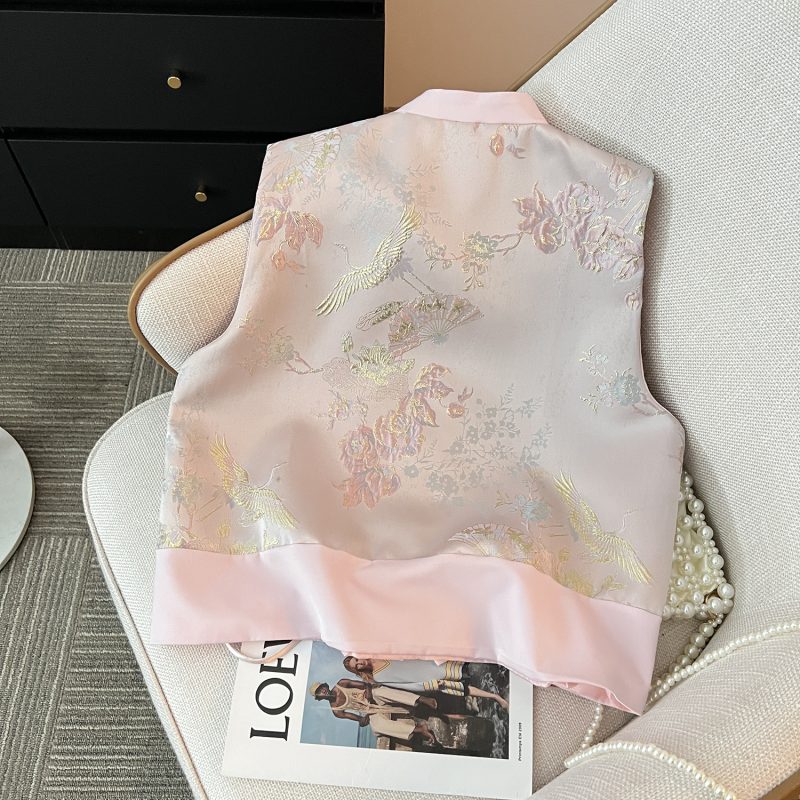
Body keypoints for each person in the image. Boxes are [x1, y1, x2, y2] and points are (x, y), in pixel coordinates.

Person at [342, 656, 509, 710]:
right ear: (357, 671)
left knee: (469, 661)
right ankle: (496, 697)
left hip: (429, 661)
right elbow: (405, 686)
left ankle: (505, 664)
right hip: (429, 678)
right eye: (357, 666)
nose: (360, 663)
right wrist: (427, 686)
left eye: (357, 660)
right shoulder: (377, 677)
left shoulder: (377, 653)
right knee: (463, 689)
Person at [309, 679, 438, 745]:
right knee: (377, 727)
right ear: (320, 698)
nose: (322, 691)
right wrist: (362, 720)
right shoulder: (336, 711)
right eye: (319, 693)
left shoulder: (342, 684)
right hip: (371, 710)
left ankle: (422, 699)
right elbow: (359, 720)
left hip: (373, 697)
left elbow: (366, 685)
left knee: (380, 692)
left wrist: (369, 693)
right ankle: (420, 729)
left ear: (325, 686)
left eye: (321, 688)